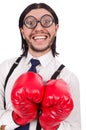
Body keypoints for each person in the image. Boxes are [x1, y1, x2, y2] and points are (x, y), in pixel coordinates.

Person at [0, 2, 81, 130]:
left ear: (56, 28)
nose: (38, 28)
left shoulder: (68, 77)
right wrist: (16, 117)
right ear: (22, 30)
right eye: (30, 23)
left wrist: (54, 124)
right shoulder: (5, 69)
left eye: (46, 21)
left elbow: (75, 127)